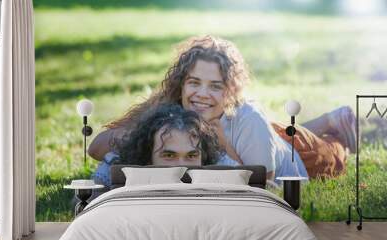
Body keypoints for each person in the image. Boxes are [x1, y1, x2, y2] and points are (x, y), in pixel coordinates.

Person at [89, 35, 356, 184]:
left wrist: (222, 141)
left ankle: (339, 125)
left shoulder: (249, 120)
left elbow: (262, 185)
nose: (202, 94)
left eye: (215, 86)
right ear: (181, 84)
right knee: (279, 132)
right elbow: (96, 147)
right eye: (194, 83)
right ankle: (327, 119)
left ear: (230, 91)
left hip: (300, 157)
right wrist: (142, 138)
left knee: (334, 154)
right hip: (268, 138)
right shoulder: (166, 108)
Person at [92, 104, 234, 186]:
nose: (181, 167)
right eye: (169, 155)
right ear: (147, 157)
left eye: (191, 156)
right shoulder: (115, 170)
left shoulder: (220, 171)